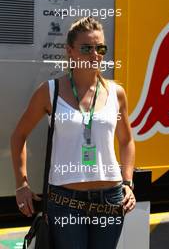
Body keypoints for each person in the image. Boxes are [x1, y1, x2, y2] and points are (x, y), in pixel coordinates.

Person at [11, 16, 136, 249]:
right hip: (64, 200)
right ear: (70, 51)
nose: (95, 54)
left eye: (100, 48)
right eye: (87, 48)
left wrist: (128, 182)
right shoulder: (50, 91)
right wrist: (22, 185)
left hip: (110, 200)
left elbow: (127, 140)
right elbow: (19, 136)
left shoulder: (117, 93)